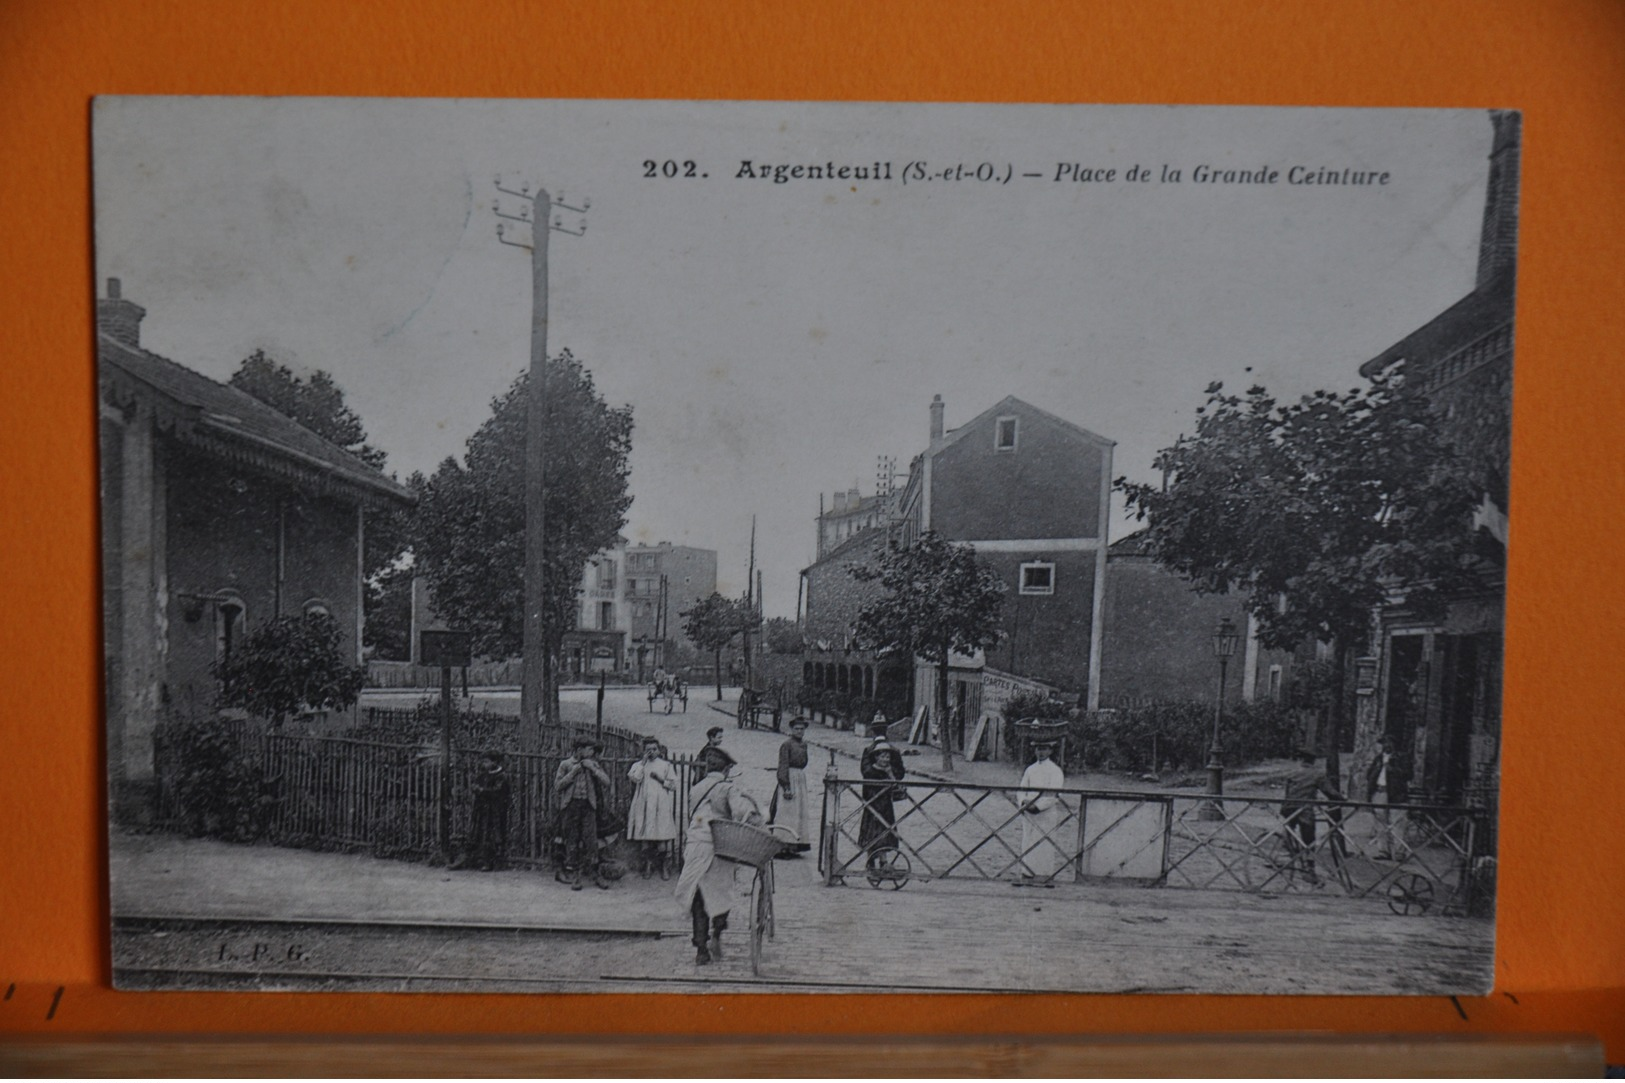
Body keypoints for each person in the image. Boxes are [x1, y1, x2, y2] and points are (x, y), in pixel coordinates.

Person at [675, 753, 762, 966]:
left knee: (699, 896)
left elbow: (691, 815)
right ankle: (717, 933)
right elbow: (743, 812)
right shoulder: (728, 788)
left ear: (707, 770)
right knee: (721, 892)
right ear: (726, 770)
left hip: (695, 846)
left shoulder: (696, 788)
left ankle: (701, 949)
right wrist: (758, 817)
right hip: (718, 846)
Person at [554, 736, 613, 890]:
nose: (592, 751)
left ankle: (595, 874)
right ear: (579, 749)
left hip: (588, 807)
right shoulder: (566, 764)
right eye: (589, 749)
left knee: (591, 841)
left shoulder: (593, 764)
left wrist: (593, 769)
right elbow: (558, 786)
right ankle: (575, 877)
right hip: (571, 807)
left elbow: (607, 782)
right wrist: (573, 773)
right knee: (571, 841)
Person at [1281, 747, 1345, 886]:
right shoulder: (1317, 775)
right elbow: (1330, 792)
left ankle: (1289, 852)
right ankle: (1309, 868)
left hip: (1289, 808)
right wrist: (1342, 799)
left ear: (1301, 760)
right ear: (1313, 761)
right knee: (1309, 839)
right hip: (1305, 810)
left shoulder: (1291, 773)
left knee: (1290, 831)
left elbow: (1287, 793)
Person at [626, 737, 679, 878]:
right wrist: (642, 763)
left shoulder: (666, 765)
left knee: (662, 837)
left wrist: (660, 779)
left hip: (661, 804)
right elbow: (635, 778)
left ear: (659, 750)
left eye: (654, 749)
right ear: (643, 751)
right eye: (648, 750)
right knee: (646, 838)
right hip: (644, 803)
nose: (652, 752)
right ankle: (648, 866)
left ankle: (664, 867)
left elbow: (673, 786)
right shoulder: (638, 765)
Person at [1016, 740, 1067, 883]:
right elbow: (1021, 789)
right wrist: (1023, 802)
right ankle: (1027, 872)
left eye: (1044, 749)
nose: (1041, 752)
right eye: (1038, 749)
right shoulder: (1030, 769)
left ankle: (1044, 874)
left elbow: (1054, 794)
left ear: (1050, 751)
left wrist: (1038, 807)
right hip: (1028, 812)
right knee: (1028, 841)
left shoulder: (1055, 771)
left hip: (1045, 812)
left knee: (1044, 843)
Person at [857, 740, 906, 866]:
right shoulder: (870, 772)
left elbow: (897, 786)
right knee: (873, 834)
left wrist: (890, 773)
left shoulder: (888, 771)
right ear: (876, 757)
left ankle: (882, 861)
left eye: (888, 757)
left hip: (886, 807)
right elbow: (867, 791)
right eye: (883, 756)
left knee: (885, 833)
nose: (885, 759)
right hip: (873, 807)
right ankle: (872, 860)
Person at [770, 717, 813, 854]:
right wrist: (786, 786)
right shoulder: (786, 745)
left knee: (799, 811)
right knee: (786, 811)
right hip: (790, 777)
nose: (799, 732)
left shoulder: (804, 745)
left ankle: (796, 844)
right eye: (797, 729)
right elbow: (783, 765)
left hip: (800, 779)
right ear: (792, 730)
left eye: (802, 729)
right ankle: (783, 845)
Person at [1365, 735, 1412, 859]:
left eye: (1389, 743)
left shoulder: (1402, 758)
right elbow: (1369, 775)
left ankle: (1399, 852)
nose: (1386, 746)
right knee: (1380, 823)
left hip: (1396, 794)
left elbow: (1408, 775)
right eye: (1384, 743)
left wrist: (1392, 769)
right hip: (1379, 792)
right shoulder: (1378, 759)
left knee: (1398, 822)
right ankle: (1383, 851)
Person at [467, 750, 511, 872]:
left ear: (495, 762)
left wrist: (482, 791)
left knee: (495, 834)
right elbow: (476, 783)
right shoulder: (484, 774)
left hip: (496, 810)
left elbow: (498, 791)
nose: (484, 764)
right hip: (483, 809)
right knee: (482, 833)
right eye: (483, 761)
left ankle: (495, 861)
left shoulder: (502, 776)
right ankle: (482, 860)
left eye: (486, 761)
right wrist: (475, 787)